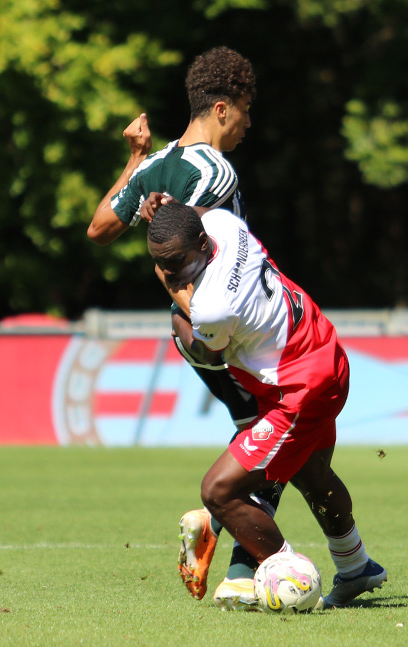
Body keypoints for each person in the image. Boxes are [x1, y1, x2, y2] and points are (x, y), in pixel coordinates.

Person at [85, 46, 282, 609]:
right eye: (244, 109)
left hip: (184, 330)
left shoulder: (154, 164)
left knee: (258, 432)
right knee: (281, 433)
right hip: (218, 325)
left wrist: (135, 157)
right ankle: (241, 567)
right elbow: (181, 243)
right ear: (222, 108)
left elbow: (99, 227)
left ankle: (225, 539)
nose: (248, 122)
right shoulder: (216, 171)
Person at [147, 202, 388, 609]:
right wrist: (174, 207)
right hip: (323, 350)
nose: (170, 271)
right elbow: (202, 211)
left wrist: (176, 315)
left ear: (202, 245)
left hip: (297, 389)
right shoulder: (222, 223)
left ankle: (287, 574)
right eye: (160, 262)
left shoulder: (213, 306)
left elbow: (208, 354)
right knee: (312, 473)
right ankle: (356, 567)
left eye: (177, 261)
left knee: (218, 491)